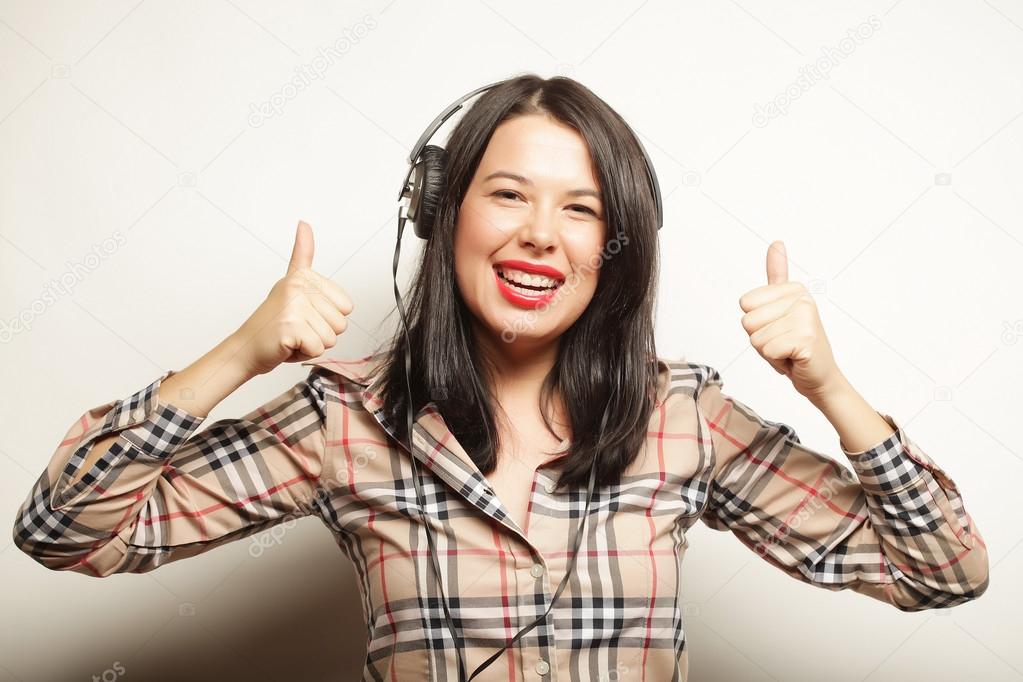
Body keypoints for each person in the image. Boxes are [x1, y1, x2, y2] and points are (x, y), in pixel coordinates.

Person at [12, 74, 989, 681]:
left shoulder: (683, 414)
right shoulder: (342, 417)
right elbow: (65, 532)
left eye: (579, 208)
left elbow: (944, 571)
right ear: (444, 215)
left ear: (613, 245)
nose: (537, 233)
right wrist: (239, 353)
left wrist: (831, 389)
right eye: (509, 194)